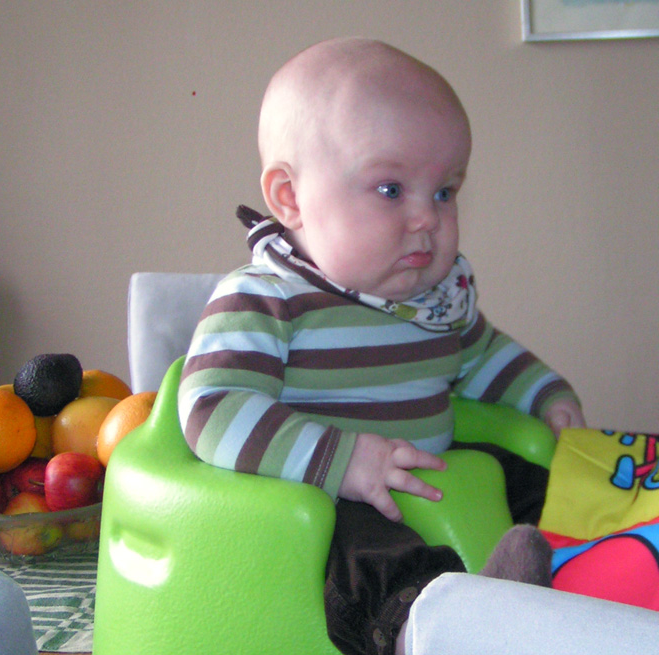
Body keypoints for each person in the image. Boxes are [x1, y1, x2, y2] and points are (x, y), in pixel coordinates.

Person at [178, 37, 585, 655]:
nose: (428, 218)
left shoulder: (434, 297)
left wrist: (546, 394)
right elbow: (212, 408)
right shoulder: (269, 298)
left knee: (537, 483)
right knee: (369, 556)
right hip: (323, 493)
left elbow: (481, 354)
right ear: (290, 197)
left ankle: (581, 574)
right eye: (391, 190)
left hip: (428, 472)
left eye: (444, 192)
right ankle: (435, 632)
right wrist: (340, 461)